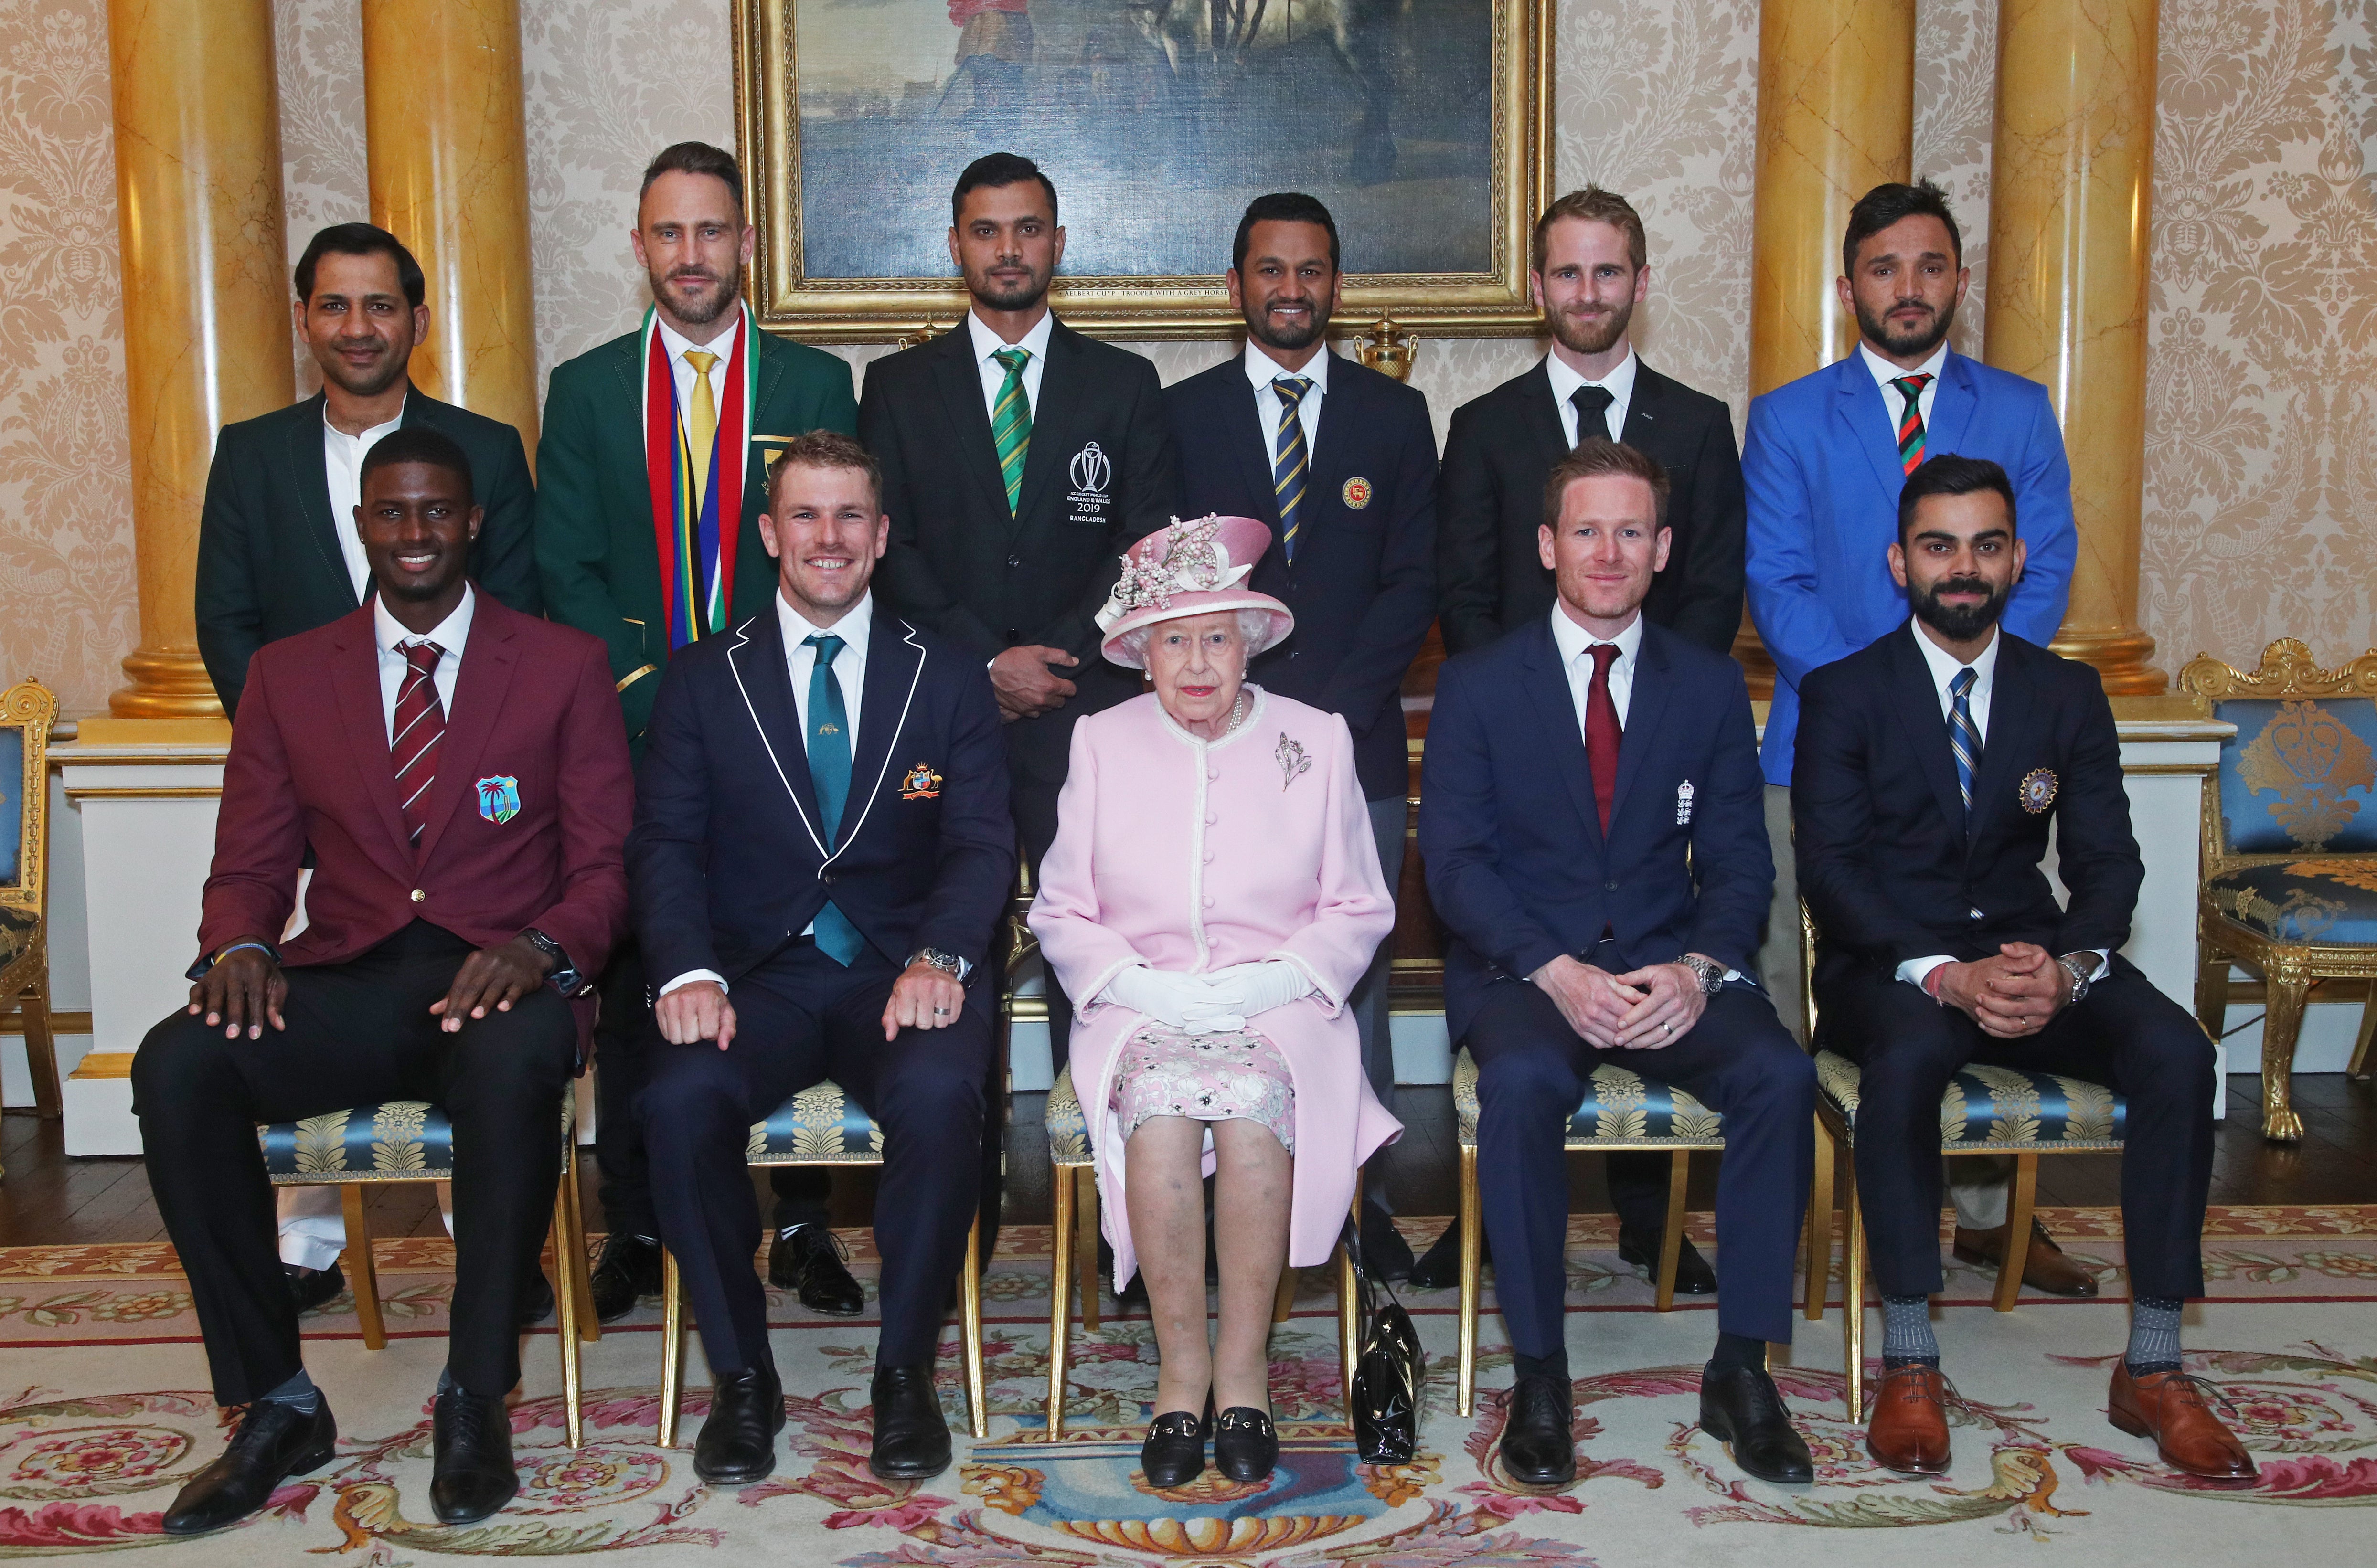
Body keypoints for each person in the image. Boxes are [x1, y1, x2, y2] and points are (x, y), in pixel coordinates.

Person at [132, 427, 632, 1533]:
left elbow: (605, 865)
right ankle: (276, 1398)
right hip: (353, 973)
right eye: (393, 512)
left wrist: (543, 950)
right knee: (177, 1062)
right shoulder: (288, 674)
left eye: (437, 512)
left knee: (508, 1066)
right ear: (364, 525)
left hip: (504, 977)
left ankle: (474, 1393)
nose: (416, 532)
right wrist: (240, 949)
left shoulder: (560, 664)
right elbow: (250, 860)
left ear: (473, 524)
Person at [1794, 455, 2251, 1480]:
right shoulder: (1841, 693)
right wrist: (1941, 974)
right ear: (1898, 560)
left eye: (1984, 545)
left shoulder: (2065, 693)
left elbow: (2106, 861)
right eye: (1939, 545)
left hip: (2031, 951)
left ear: (2016, 558)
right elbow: (1828, 872)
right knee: (1906, 1066)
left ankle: (2154, 1366)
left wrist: (2068, 966)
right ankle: (1909, 1356)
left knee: (2178, 1053)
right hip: (1893, 966)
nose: (1963, 567)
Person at [1421, 439, 1816, 1488]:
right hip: (1527, 974)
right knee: (1517, 1084)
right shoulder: (1476, 685)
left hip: (1663, 964)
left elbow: (1739, 861)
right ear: (1548, 545)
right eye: (1586, 530)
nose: (1608, 552)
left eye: (1630, 531)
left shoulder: (1705, 686)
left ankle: (1740, 1371)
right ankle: (1541, 1377)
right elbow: (1453, 865)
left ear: (1662, 549)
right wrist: (1552, 968)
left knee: (1780, 1074)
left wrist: (1695, 968)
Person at [629, 432, 1013, 1485]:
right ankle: (744, 1378)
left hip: (902, 971)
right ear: (769, 533)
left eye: (850, 516)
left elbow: (982, 841)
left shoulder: (946, 679)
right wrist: (686, 971)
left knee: (941, 1098)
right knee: (676, 1101)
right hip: (755, 977)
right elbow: (662, 843)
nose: (828, 538)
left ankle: (905, 1374)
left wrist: (941, 955)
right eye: (806, 515)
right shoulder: (707, 678)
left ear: (882, 536)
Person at [1743, 179, 2090, 1295]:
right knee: (1815, 986)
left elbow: (2039, 582)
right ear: (1850, 287)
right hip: (1818, 749)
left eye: (1929, 266)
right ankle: (1813, 1211)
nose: (1908, 288)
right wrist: (1882, 711)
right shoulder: (1792, 417)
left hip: (1985, 762)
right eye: (1884, 269)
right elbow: (1779, 584)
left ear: (1958, 280)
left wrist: (1970, 698)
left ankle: (1994, 1217)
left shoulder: (2022, 411)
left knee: (1987, 970)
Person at [535, 141, 862, 1324]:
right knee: (641, 975)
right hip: (633, 730)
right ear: (640, 248)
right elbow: (559, 567)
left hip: (793, 736)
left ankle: (805, 1220)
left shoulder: (816, 384)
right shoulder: (582, 392)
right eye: (668, 234)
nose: (691, 256)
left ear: (746, 245)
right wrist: (649, 702)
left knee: (802, 952)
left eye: (712, 232)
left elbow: (838, 558)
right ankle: (638, 1222)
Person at [1030, 514, 1399, 1489]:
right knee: (1156, 1118)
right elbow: (1060, 904)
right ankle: (1179, 1374)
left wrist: (1272, 981)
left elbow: (1358, 901)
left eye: (1217, 636)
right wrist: (1136, 984)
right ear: (1143, 652)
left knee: (1246, 1114)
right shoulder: (1101, 741)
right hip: (1137, 1002)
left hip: (1280, 1004)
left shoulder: (1314, 740)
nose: (1196, 661)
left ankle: (1244, 1374)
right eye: (1175, 639)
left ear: (1251, 643)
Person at [1422, 186, 1746, 1294]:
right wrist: (1533, 712)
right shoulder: (1486, 428)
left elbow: (1707, 596)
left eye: (1610, 273)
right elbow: (1465, 596)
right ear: (1539, 289)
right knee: (1536, 1023)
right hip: (1526, 757)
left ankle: (1658, 1221)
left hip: (1660, 747)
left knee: (1659, 960)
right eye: (1568, 273)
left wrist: (1653, 711)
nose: (1589, 293)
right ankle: (1506, 1223)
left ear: (1640, 285)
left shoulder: (1700, 427)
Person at [1161, 192, 1435, 1278]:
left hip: (1353, 750)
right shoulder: (1180, 419)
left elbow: (1415, 580)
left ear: (1336, 284)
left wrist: (1323, 712)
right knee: (1212, 974)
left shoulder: (1395, 417)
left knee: (1344, 990)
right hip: (1209, 751)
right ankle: (1220, 1209)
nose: (1290, 289)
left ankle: (1348, 1210)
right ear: (1236, 287)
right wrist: (1245, 704)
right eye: (1269, 270)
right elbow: (1173, 585)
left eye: (1311, 270)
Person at [862, 151, 1179, 1075]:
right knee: (948, 961)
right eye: (988, 230)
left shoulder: (1123, 384)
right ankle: (971, 1184)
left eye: (1028, 229)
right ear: (956, 244)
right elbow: (890, 545)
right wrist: (985, 664)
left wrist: (1058, 657)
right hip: (947, 716)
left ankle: (1119, 1183)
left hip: (1085, 717)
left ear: (1059, 243)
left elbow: (1144, 542)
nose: (1009, 250)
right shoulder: (897, 387)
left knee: (1108, 957)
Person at [196, 222, 539, 717]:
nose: (357, 328)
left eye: (380, 306)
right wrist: (293, 740)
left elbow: (514, 618)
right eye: (334, 306)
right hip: (301, 759)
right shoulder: (249, 456)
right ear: (303, 320)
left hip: (457, 746)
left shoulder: (489, 450)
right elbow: (225, 623)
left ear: (418, 324)